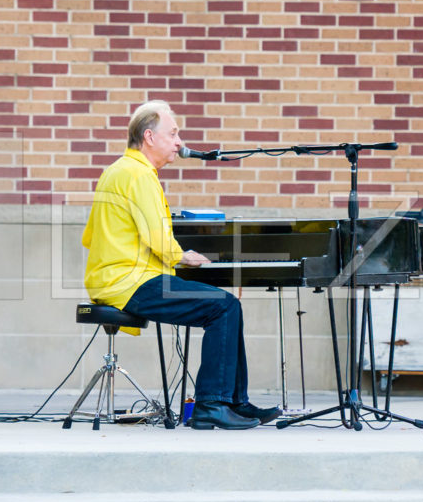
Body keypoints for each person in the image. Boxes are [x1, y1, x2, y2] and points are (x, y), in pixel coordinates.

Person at [82, 100, 281, 430]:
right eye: (172, 133)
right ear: (149, 136)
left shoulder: (116, 170)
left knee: (226, 307)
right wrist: (182, 256)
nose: (179, 142)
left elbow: (91, 237)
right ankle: (212, 405)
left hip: (116, 278)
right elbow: (156, 237)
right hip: (130, 282)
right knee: (224, 307)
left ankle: (234, 403)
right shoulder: (139, 174)